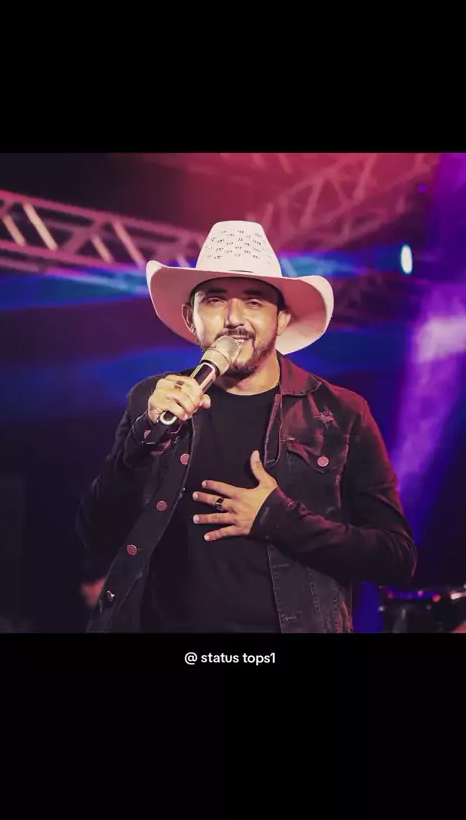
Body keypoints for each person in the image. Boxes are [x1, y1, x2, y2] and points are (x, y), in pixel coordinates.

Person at [77, 220, 417, 633]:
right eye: (215, 300)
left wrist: (278, 518)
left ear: (282, 319)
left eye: (254, 302)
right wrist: (143, 441)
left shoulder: (340, 413)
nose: (233, 319)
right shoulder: (153, 399)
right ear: (190, 317)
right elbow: (96, 530)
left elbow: (395, 557)